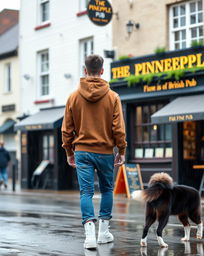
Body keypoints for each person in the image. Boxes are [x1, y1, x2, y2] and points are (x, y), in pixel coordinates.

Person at [61, 54, 127, 249]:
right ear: (102, 71)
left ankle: (89, 236)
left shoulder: (73, 97)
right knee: (107, 189)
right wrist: (121, 149)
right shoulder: (113, 96)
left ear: (85, 71)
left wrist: (68, 151)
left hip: (82, 151)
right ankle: (103, 233)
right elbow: (119, 129)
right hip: (106, 151)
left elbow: (66, 129)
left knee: (86, 193)